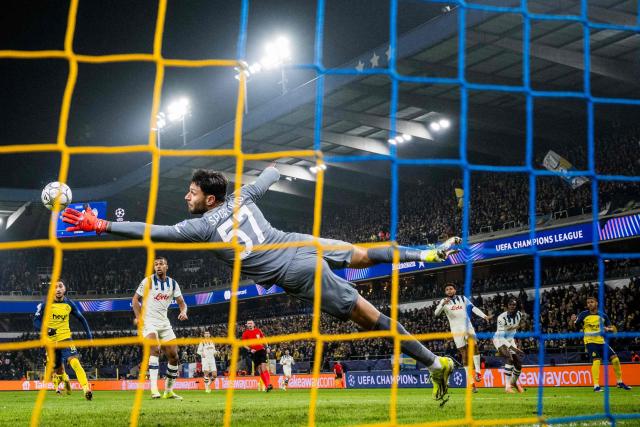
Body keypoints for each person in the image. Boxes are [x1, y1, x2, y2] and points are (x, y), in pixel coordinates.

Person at [62, 166, 461, 404]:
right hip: (299, 241)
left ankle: (434, 363)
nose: (187, 196)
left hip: (295, 271)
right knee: (362, 253)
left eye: (193, 192)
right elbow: (270, 173)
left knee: (370, 317)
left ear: (210, 200)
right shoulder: (243, 195)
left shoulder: (200, 226)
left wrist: (101, 224)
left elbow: (150, 230)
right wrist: (272, 170)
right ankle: (423, 253)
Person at [131, 256, 188, 399]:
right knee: (155, 350)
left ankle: (168, 391)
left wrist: (183, 311)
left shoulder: (173, 284)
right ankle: (154, 390)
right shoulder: (148, 281)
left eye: (161, 264)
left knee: (174, 356)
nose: (158, 266)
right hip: (149, 322)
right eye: (156, 264)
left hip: (164, 323)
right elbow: (135, 299)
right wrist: (139, 317)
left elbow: (182, 302)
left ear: (166, 267)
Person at [33, 280, 93, 400]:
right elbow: (36, 321)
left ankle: (86, 389)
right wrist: (48, 330)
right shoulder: (45, 304)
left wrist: (89, 336)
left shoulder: (69, 304)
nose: (58, 289)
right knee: (59, 371)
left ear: (64, 289)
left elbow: (82, 319)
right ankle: (65, 384)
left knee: (75, 361)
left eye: (60, 286)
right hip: (51, 342)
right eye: (55, 287)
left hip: (65, 338)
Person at [434, 283, 491, 393]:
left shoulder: (462, 298)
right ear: (445, 292)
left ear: (455, 290)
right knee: (464, 356)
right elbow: (436, 313)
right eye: (447, 289)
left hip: (467, 326)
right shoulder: (443, 301)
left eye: (451, 289)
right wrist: (442, 305)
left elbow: (473, 308)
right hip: (456, 330)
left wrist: (484, 316)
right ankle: (472, 383)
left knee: (474, 346)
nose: (449, 290)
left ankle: (478, 372)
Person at [569, 296, 632, 392]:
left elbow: (614, 330)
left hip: (601, 342)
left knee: (615, 359)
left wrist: (608, 329)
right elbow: (573, 326)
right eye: (588, 302)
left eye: (591, 302)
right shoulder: (583, 314)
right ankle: (596, 386)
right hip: (590, 341)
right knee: (597, 360)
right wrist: (572, 320)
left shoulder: (603, 316)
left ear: (596, 303)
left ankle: (619, 382)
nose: (589, 304)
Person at [493, 297, 525, 394]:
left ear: (516, 306)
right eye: (510, 305)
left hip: (510, 340)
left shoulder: (519, 315)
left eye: (514, 305)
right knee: (509, 358)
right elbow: (502, 338)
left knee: (518, 365)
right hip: (499, 340)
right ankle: (507, 387)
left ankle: (513, 383)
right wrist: (514, 349)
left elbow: (514, 330)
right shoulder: (501, 318)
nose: (512, 306)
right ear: (507, 306)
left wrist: (516, 346)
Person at [241, 320, 272, 392]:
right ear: (247, 325)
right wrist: (250, 349)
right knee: (259, 370)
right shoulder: (245, 333)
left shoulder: (258, 330)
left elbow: (263, 339)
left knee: (263, 367)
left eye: (251, 323)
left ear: (253, 324)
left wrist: (267, 347)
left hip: (261, 350)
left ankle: (268, 384)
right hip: (254, 353)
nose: (249, 324)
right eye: (248, 323)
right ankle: (267, 386)